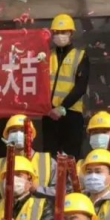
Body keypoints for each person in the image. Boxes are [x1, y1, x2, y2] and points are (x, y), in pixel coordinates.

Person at [44, 14, 90, 158]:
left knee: (70, 157)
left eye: (63, 32)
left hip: (71, 113)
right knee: (50, 158)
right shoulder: (47, 56)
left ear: (71, 33)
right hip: (50, 115)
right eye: (56, 32)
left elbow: (81, 87)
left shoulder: (80, 55)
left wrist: (63, 107)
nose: (59, 35)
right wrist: (48, 108)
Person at [0, 115, 58, 199]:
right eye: (14, 131)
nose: (18, 134)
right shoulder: (0, 166)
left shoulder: (48, 162)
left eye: (23, 130)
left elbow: (61, 192)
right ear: (7, 137)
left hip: (41, 208)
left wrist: (37, 190)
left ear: (31, 136)